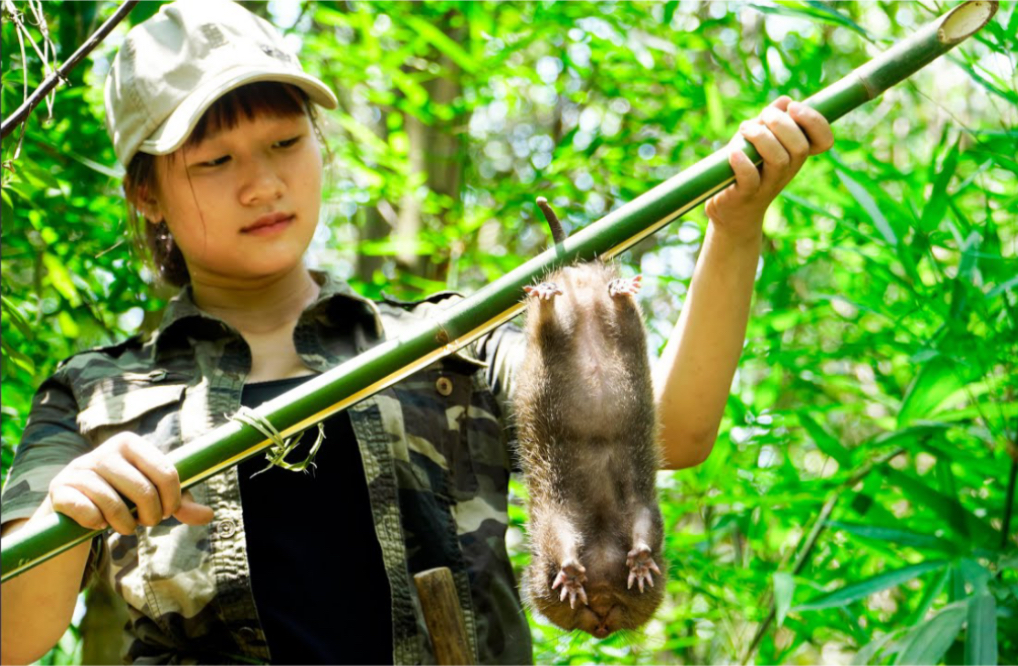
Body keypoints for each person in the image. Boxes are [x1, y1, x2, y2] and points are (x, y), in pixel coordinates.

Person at [0, 1, 834, 664]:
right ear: (147, 194)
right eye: (214, 162)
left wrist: (735, 232)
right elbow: (13, 637)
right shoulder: (94, 392)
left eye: (286, 143)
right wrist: (74, 502)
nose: (262, 185)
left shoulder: (450, 340)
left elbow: (669, 433)